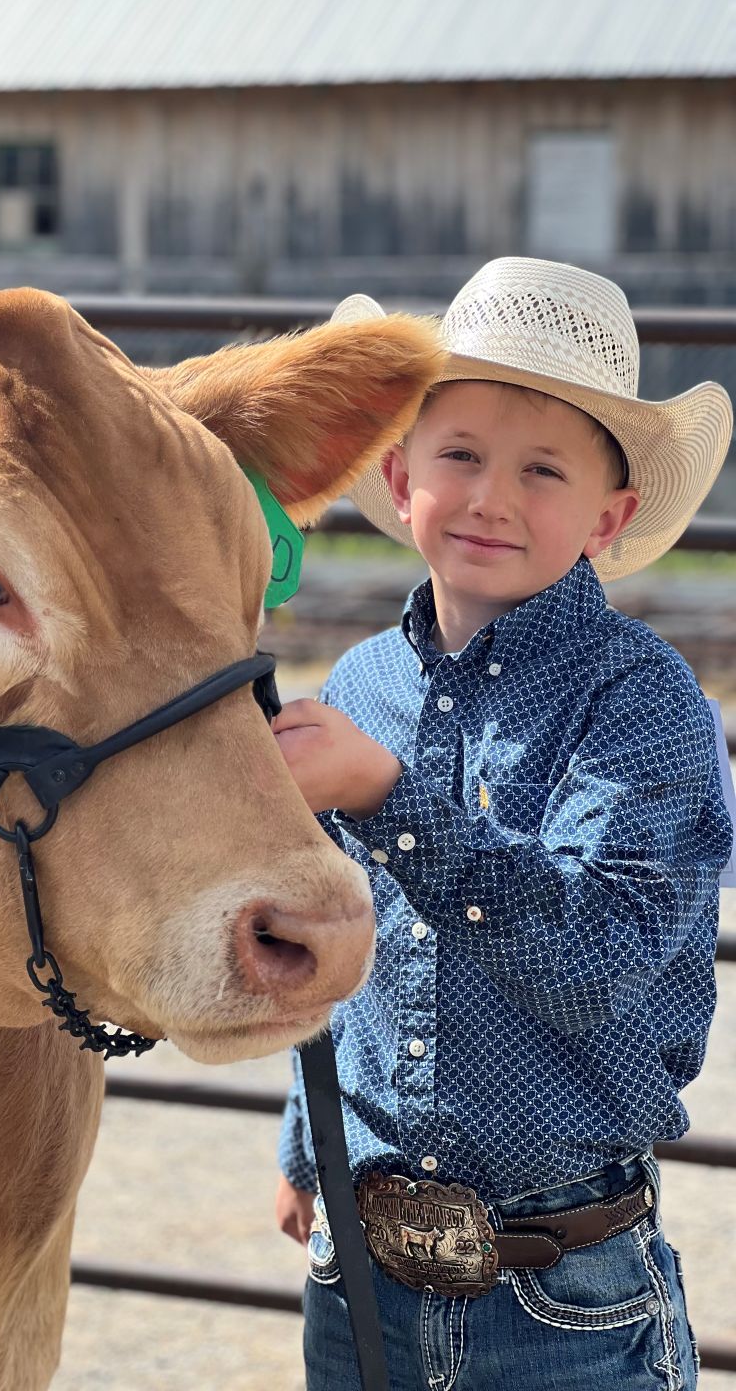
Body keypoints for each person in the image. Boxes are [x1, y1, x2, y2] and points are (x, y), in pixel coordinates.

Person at [272, 257, 734, 1391]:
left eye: (542, 470)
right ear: (400, 476)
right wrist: (306, 1141)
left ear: (609, 516)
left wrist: (389, 798)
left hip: (566, 1290)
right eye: (461, 456)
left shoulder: (640, 700)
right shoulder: (361, 686)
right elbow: (334, 944)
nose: (490, 497)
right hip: (360, 1264)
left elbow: (599, 958)